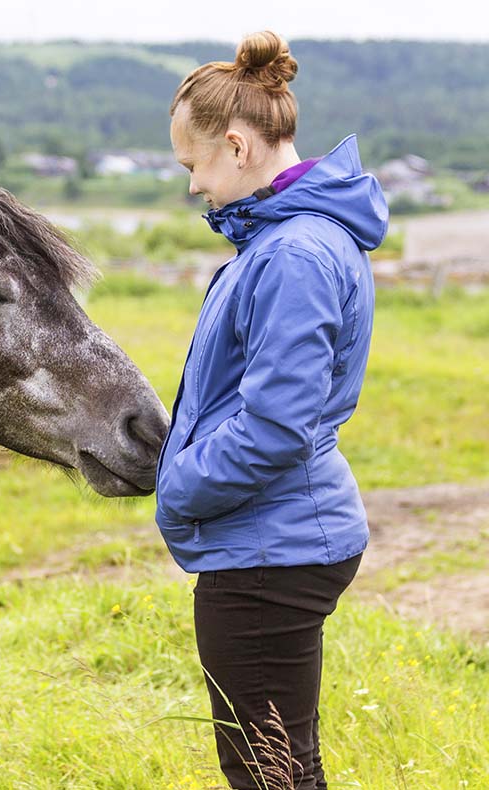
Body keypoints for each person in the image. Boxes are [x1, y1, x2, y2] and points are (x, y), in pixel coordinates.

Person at [155, 30, 388, 789]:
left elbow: (276, 427)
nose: (193, 186)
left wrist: (178, 486)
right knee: (279, 768)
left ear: (236, 145)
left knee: (271, 775)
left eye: (193, 165)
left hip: (271, 552)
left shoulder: (292, 254)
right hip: (275, 539)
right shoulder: (283, 242)